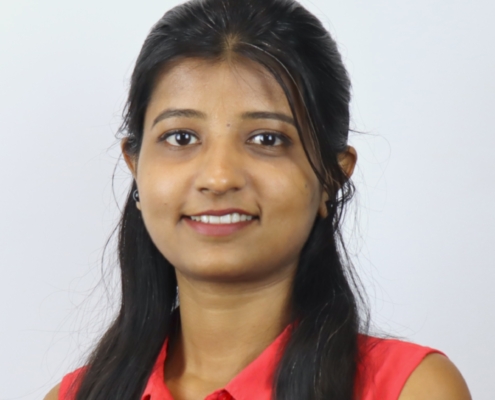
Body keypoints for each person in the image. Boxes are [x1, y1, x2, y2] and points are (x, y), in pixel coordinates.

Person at [44, 0, 471, 399]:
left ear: (331, 176)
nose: (219, 177)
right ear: (135, 166)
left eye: (267, 139)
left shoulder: (412, 389)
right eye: (181, 137)